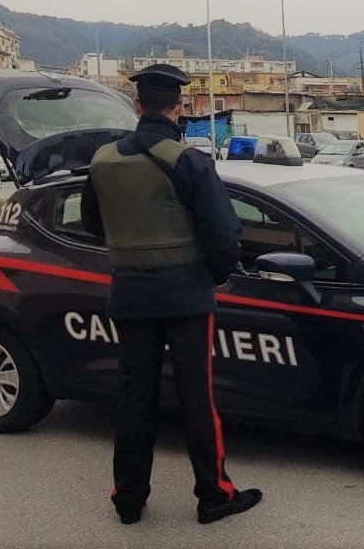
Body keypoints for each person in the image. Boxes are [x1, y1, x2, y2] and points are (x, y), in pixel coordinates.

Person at [81, 64, 262, 524]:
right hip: (186, 299)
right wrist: (217, 276)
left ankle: (128, 499)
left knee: (134, 397)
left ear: (137, 105)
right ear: (178, 108)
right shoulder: (189, 161)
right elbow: (224, 234)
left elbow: (91, 225)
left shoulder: (102, 161)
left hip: (129, 295)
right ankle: (214, 495)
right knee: (196, 397)